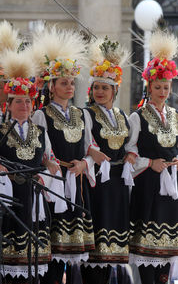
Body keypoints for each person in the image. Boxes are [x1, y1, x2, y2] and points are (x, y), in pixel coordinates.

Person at [128, 30, 178, 284]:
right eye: (157, 87)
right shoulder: (138, 117)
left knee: (166, 260)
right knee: (146, 255)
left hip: (171, 190)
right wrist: (149, 163)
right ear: (149, 86)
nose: (162, 91)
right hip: (147, 187)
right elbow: (129, 153)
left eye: (166, 87)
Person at [31, 27, 96, 284]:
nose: (69, 87)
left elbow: (90, 148)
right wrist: (53, 166)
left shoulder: (82, 114)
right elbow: (41, 151)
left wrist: (84, 163)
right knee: (54, 259)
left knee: (76, 260)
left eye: (71, 82)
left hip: (77, 184)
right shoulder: (41, 114)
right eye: (63, 83)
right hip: (55, 186)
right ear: (52, 85)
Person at [0, 50, 60, 283]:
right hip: (10, 198)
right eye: (18, 101)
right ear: (10, 104)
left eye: (27, 101)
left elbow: (48, 158)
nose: (24, 105)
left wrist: (48, 166)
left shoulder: (40, 131)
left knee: (35, 262)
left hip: (34, 195)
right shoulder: (2, 131)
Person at [81, 37, 136, 284]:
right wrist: (92, 152)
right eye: (96, 87)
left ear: (115, 90)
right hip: (97, 185)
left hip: (118, 186)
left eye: (105, 88)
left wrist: (131, 154)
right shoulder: (86, 114)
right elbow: (83, 144)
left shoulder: (122, 115)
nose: (99, 92)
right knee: (95, 253)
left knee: (112, 252)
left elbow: (131, 145)